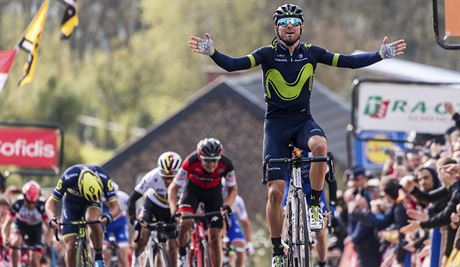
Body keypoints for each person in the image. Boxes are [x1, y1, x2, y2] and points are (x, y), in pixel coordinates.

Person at [187, 3, 406, 266]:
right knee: (275, 193)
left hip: (303, 119)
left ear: (301, 26)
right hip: (276, 126)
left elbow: (347, 61)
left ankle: (314, 204)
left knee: (320, 147)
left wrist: (380, 54)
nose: (289, 25)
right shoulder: (267, 54)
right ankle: (278, 250)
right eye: (283, 21)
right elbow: (235, 65)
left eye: (294, 20)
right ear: (276, 28)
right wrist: (213, 53)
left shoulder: (312, 53)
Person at [168, 138, 238, 267]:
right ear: (200, 157)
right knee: (186, 221)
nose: (211, 164)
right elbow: (173, 188)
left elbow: (233, 189)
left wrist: (227, 205)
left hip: (213, 194)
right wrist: (173, 210)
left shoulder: (226, 165)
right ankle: (182, 252)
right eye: (207, 161)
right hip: (193, 192)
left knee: (215, 237)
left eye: (214, 161)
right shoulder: (190, 162)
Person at [45, 165, 121, 267]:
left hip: (92, 202)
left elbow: (115, 206)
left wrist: (109, 216)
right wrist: (53, 218)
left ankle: (98, 256)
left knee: (92, 219)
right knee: (71, 247)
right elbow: (50, 203)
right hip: (71, 206)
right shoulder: (69, 176)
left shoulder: (103, 177)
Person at [282, 147, 337, 267]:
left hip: (312, 187)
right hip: (290, 183)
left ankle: (322, 263)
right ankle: (285, 247)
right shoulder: (283, 146)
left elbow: (331, 181)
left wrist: (332, 207)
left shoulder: (313, 146)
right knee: (284, 216)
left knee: (320, 231)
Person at [128, 151, 183, 267]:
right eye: (165, 177)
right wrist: (134, 220)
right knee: (143, 237)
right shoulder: (152, 176)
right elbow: (132, 199)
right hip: (152, 207)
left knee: (172, 247)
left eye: (171, 177)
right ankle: (136, 258)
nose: (168, 181)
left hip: (170, 210)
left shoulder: (184, 179)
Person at [1, 181, 48, 267]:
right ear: (24, 197)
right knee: (15, 242)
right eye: (28, 202)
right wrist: (5, 238)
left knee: (34, 259)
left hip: (36, 229)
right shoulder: (18, 203)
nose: (31, 206)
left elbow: (49, 226)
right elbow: (7, 224)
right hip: (20, 225)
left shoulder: (42, 205)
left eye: (34, 203)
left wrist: (47, 242)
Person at [103, 182, 130, 267]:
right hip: (104, 226)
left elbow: (134, 213)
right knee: (104, 253)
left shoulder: (124, 198)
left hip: (119, 224)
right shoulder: (97, 201)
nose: (110, 201)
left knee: (123, 252)